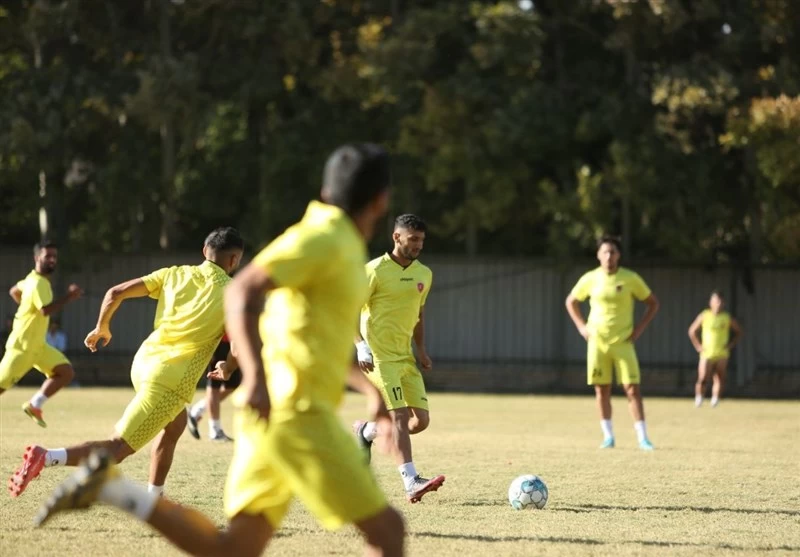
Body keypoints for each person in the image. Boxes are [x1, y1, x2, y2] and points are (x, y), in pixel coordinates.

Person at [34, 144, 405, 557]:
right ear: (381, 200)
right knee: (389, 531)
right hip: (298, 413)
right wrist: (258, 380)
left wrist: (370, 393)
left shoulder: (337, 243)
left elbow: (307, 336)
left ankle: (117, 489)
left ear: (325, 189)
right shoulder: (326, 237)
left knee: (234, 549)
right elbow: (244, 290)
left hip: (267, 413)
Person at [8, 228, 244, 497]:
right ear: (235, 261)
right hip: (170, 380)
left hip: (143, 364)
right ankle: (46, 456)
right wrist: (228, 367)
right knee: (117, 449)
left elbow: (115, 292)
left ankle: (155, 498)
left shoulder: (173, 273)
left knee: (175, 425)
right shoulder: (234, 293)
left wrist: (101, 328)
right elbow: (237, 344)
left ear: (204, 251)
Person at [352, 213, 445, 503]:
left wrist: (422, 350)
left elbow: (419, 315)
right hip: (378, 358)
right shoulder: (374, 270)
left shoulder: (424, 274)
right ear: (396, 237)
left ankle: (366, 431)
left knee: (421, 422)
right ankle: (411, 481)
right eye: (413, 239)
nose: (418, 245)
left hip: (405, 358)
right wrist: (359, 345)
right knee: (400, 417)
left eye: (421, 240)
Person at [565, 235, 660, 450]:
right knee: (602, 390)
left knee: (632, 389)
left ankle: (642, 437)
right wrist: (582, 327)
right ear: (598, 255)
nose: (609, 256)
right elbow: (571, 301)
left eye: (613, 252)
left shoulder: (630, 278)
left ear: (619, 255)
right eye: (605, 252)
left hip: (623, 342)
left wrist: (638, 330)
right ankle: (608, 436)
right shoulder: (590, 278)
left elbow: (653, 303)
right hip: (597, 342)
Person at [0, 241, 83, 427]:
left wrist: (25, 307)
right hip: (22, 346)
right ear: (37, 258)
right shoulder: (39, 283)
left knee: (65, 372)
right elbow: (45, 310)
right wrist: (70, 297)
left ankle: (34, 405)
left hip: (38, 346)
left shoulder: (30, 279)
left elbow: (14, 290)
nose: (52, 260)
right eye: (48, 256)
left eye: (54, 256)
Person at [688, 290, 743, 408]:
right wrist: (698, 346)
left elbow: (739, 332)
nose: (718, 304)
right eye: (716, 301)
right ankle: (699, 398)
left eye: (720, 301)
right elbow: (692, 331)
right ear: (711, 302)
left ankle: (715, 399)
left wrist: (730, 345)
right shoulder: (704, 316)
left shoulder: (727, 318)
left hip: (722, 353)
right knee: (703, 377)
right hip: (707, 352)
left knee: (719, 377)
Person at [187, 332, 239, 441]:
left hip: (233, 341)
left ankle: (196, 410)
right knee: (214, 385)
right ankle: (215, 431)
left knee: (232, 385)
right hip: (216, 340)